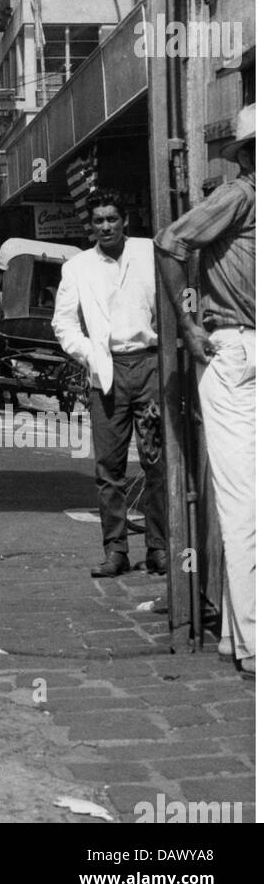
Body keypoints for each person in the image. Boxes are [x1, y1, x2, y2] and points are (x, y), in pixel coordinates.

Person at [155, 104, 255, 679]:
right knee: (243, 501)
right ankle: (251, 644)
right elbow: (171, 242)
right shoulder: (241, 195)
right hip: (234, 345)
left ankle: (239, 635)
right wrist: (188, 326)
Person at [52, 189, 165, 578]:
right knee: (109, 468)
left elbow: (176, 297)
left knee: (157, 462)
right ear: (92, 226)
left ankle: (159, 548)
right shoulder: (78, 267)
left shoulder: (150, 253)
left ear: (124, 220)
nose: (105, 227)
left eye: (111, 219)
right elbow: (63, 323)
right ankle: (115, 550)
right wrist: (89, 353)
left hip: (149, 365)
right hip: (106, 372)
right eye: (98, 221)